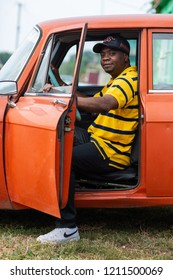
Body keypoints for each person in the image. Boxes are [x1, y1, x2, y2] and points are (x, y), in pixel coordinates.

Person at [37, 34, 139, 244]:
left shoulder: (130, 79)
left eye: (112, 53)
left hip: (110, 151)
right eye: (103, 55)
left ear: (126, 57)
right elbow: (93, 100)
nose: (106, 59)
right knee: (58, 138)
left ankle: (68, 228)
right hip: (97, 139)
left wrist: (66, 99)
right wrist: (59, 90)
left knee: (61, 161)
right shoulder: (118, 80)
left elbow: (104, 104)